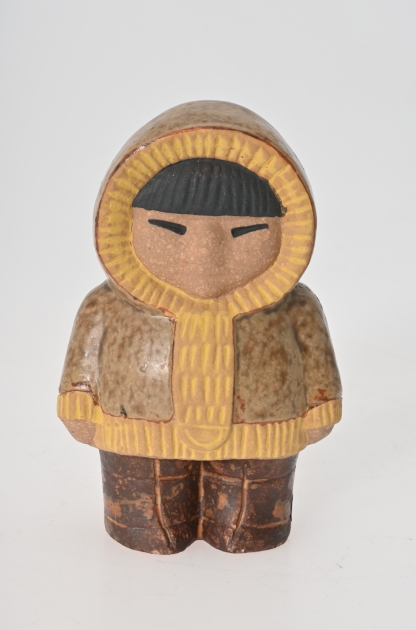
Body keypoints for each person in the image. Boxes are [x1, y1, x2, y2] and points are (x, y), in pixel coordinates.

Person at [58, 101, 342, 554]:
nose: (206, 255)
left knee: (247, 526)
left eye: (244, 232)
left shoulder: (296, 308)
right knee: (149, 522)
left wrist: (320, 407)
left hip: (259, 437)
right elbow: (82, 366)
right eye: (170, 229)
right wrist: (79, 400)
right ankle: (152, 528)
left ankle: (243, 530)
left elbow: (318, 365)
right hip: (139, 436)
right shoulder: (106, 305)